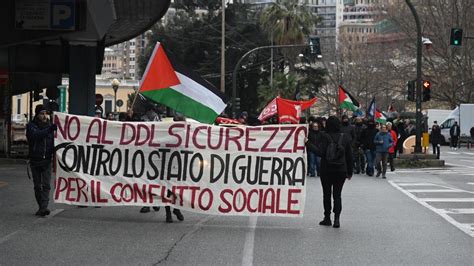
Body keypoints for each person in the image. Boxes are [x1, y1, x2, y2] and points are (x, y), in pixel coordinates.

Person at [305, 116, 353, 228]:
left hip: (326, 169)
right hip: (341, 170)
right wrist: (349, 172)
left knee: (326, 194)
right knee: (337, 195)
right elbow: (349, 156)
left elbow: (320, 152)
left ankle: (327, 218)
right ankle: (337, 219)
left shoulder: (324, 136)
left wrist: (308, 143)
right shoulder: (344, 137)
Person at [26, 105, 57, 217]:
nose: (44, 116)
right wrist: (49, 129)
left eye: (45, 113)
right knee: (37, 186)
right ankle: (41, 207)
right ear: (37, 114)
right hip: (35, 160)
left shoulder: (50, 126)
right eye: (42, 113)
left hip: (47, 160)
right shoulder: (31, 126)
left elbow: (55, 143)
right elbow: (36, 136)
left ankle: (43, 207)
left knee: (46, 185)